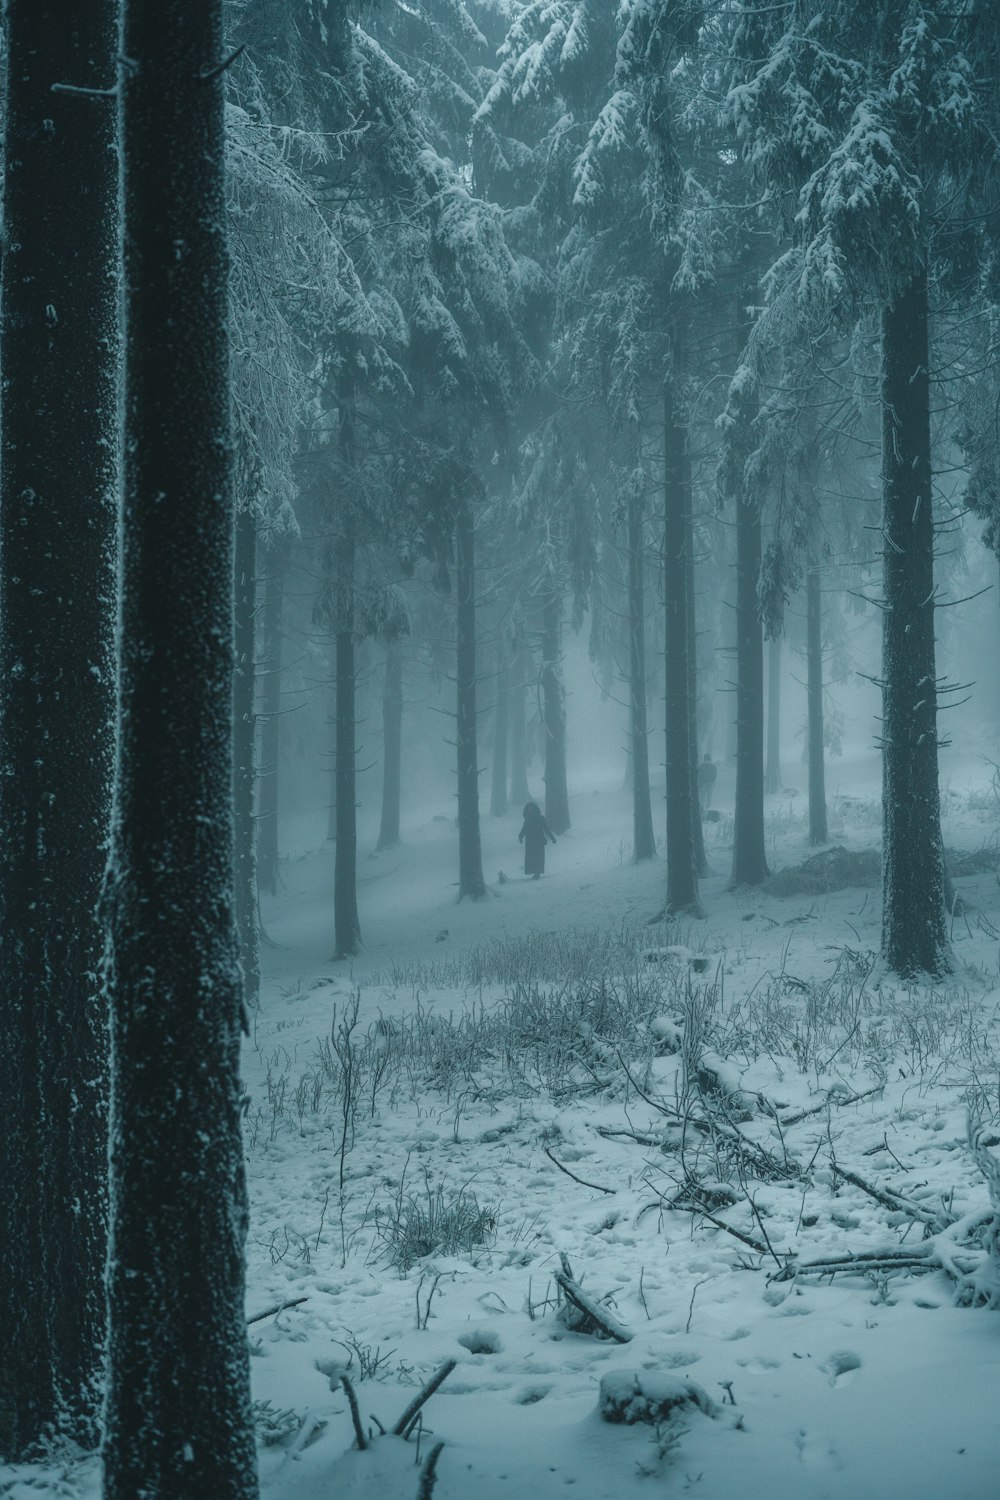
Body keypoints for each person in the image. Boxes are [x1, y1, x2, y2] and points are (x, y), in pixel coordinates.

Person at [518, 800, 556, 878]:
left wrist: (552, 838)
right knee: (530, 858)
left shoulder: (541, 818)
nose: (530, 811)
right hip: (529, 842)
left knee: (538, 857)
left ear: (535, 809)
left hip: (539, 841)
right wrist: (520, 836)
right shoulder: (527, 820)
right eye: (528, 809)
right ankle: (534, 872)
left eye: (531, 809)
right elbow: (524, 829)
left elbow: (546, 829)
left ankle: (537, 873)